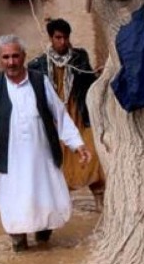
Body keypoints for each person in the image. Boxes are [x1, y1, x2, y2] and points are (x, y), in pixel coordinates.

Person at [0, 34, 91, 252]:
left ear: (24, 56)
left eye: (15, 56)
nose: (11, 62)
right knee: (15, 206)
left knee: (45, 205)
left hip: (41, 158)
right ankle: (19, 245)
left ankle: (44, 242)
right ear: (0, 59)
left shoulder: (39, 80)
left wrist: (77, 144)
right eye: (6, 57)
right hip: (11, 160)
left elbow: (60, 115)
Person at [27, 18, 106, 211]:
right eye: (58, 38)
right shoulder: (38, 64)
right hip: (54, 119)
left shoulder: (79, 58)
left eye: (65, 37)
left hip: (78, 114)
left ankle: (99, 201)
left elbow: (89, 83)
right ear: (51, 38)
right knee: (55, 160)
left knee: (91, 153)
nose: (62, 42)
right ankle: (57, 206)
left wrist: (100, 76)